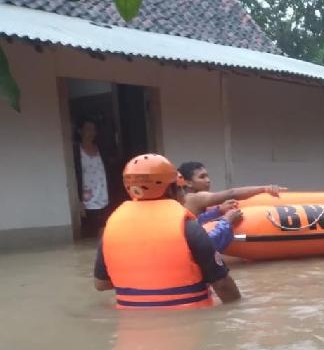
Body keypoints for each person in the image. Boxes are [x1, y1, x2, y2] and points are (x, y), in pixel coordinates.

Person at [94, 153, 241, 308]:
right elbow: (222, 284)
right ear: (170, 189)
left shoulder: (110, 229)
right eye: (180, 188)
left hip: (132, 324)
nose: (183, 194)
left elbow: (101, 284)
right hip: (188, 323)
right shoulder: (188, 227)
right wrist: (237, 308)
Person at [74, 117, 109, 237]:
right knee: (90, 233)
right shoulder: (76, 151)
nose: (91, 133)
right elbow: (74, 176)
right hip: (87, 200)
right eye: (88, 129)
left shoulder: (101, 149)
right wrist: (77, 200)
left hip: (103, 198)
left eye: (93, 129)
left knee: (104, 232)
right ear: (80, 131)